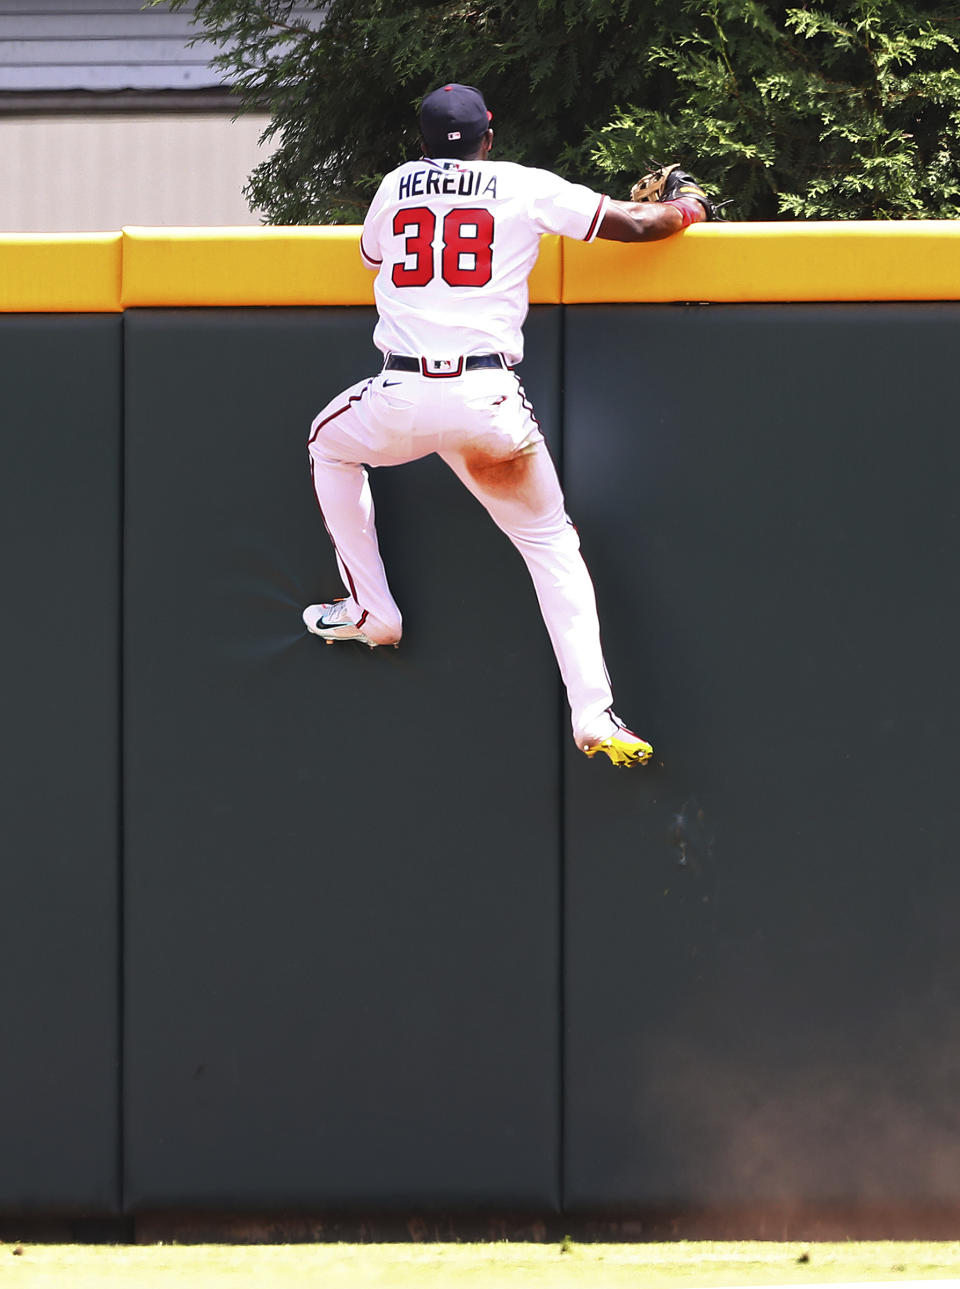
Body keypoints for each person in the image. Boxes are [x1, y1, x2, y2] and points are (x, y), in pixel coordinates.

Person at [303, 83, 713, 767]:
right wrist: (690, 203)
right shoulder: (521, 185)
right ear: (489, 134)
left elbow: (374, 258)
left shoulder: (399, 184)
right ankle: (594, 714)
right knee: (552, 545)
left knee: (328, 444)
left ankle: (372, 611)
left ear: (423, 139)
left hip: (400, 393)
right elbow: (640, 226)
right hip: (487, 401)